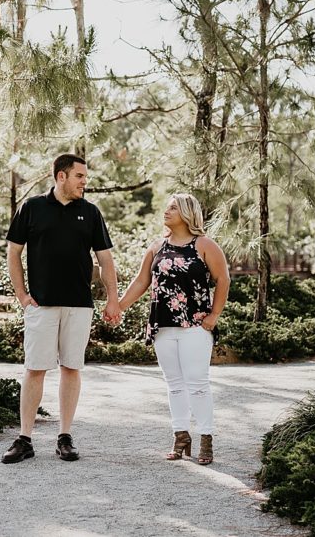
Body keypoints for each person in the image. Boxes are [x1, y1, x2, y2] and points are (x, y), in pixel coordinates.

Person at [1, 153, 122, 464]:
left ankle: (64, 437)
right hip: (40, 305)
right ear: (61, 176)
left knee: (71, 368)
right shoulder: (32, 207)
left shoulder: (91, 212)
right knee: (35, 369)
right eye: (79, 176)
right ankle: (25, 439)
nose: (84, 182)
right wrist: (21, 295)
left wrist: (112, 298)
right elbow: (13, 253)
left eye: (85, 177)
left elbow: (105, 259)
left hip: (79, 305)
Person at [117, 193, 229, 465]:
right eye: (166, 207)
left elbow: (223, 279)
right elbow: (141, 281)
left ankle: (205, 439)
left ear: (188, 213)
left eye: (173, 208)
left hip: (195, 326)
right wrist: (118, 307)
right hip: (163, 325)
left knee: (197, 383)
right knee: (174, 385)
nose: (166, 212)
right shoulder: (157, 247)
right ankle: (180, 436)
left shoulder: (204, 245)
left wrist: (214, 315)